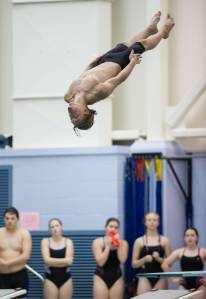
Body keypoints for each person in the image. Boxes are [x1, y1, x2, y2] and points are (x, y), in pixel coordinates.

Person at [64, 12, 175, 131]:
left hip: (103, 61)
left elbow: (82, 76)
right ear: (86, 111)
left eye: (72, 120)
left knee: (126, 44)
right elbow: (119, 78)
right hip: (120, 63)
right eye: (76, 118)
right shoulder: (97, 93)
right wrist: (132, 62)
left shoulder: (68, 95)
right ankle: (163, 31)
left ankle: (150, 29)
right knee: (141, 44)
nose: (71, 117)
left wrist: (90, 64)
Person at [131, 212, 171, 295]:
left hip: (161, 276)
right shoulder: (139, 241)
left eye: (155, 220)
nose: (152, 222)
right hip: (144, 276)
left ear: (158, 222)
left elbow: (169, 264)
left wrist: (159, 259)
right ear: (145, 222)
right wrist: (144, 259)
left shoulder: (165, 241)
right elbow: (134, 264)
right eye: (149, 220)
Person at [162, 227, 206, 299]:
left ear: (197, 238)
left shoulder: (202, 252)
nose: (190, 238)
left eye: (192, 235)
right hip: (184, 284)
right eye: (187, 235)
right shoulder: (180, 252)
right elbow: (165, 264)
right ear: (184, 238)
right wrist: (173, 279)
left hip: (200, 284)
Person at [92, 217, 128, 299]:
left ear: (118, 229)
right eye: (111, 226)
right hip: (100, 277)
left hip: (117, 277)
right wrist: (108, 246)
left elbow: (122, 260)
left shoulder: (124, 243)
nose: (113, 229)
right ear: (106, 227)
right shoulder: (98, 242)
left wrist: (118, 245)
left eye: (116, 227)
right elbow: (100, 263)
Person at [0, 207, 32, 298]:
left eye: (12, 218)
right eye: (7, 218)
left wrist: (7, 263)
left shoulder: (24, 233)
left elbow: (26, 255)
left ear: (17, 219)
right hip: (2, 276)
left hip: (19, 275)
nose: (10, 221)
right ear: (4, 219)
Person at [41, 218, 74, 299]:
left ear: (61, 226)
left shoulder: (68, 241)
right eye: (52, 227)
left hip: (66, 278)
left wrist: (51, 262)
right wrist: (64, 261)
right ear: (49, 229)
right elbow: (46, 260)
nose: (55, 228)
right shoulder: (45, 241)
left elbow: (69, 262)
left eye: (57, 225)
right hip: (50, 278)